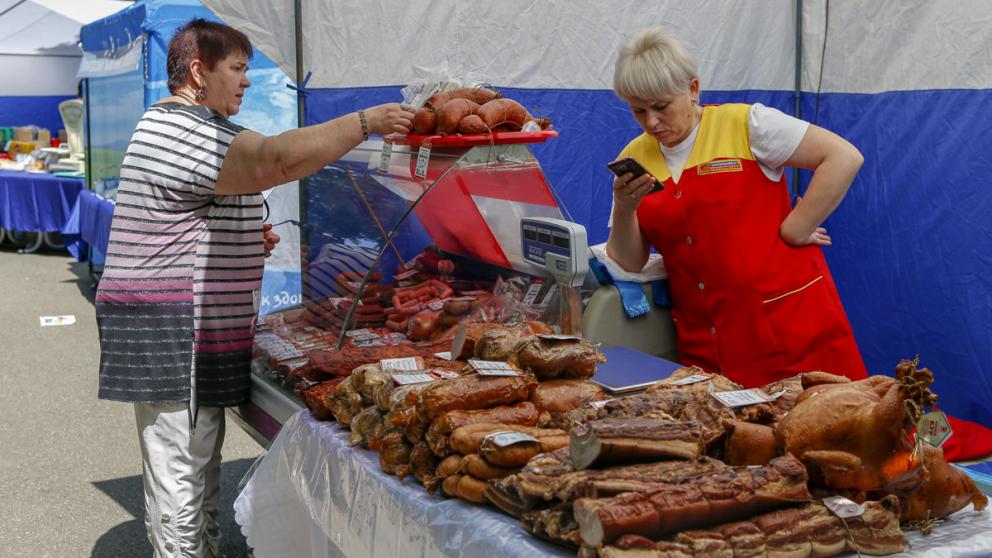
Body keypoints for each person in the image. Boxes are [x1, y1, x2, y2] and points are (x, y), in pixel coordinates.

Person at [94, 18, 413, 557]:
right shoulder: (182, 128)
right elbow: (277, 160)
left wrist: (239, 235)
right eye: (237, 70)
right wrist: (368, 121)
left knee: (197, 461)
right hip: (174, 330)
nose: (245, 82)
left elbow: (190, 209)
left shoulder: (192, 128)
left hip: (191, 326)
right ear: (199, 71)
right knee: (179, 473)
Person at [606, 26, 868, 388]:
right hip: (707, 344)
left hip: (788, 329)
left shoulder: (747, 124)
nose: (651, 122)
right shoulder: (634, 157)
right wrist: (624, 207)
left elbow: (843, 156)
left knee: (834, 433)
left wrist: (797, 226)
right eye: (638, 111)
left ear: (693, 89)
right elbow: (629, 260)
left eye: (661, 107)